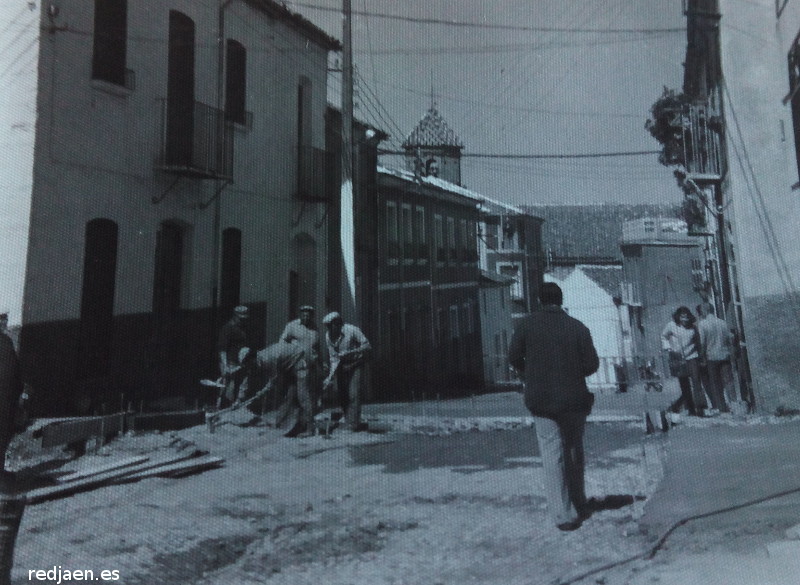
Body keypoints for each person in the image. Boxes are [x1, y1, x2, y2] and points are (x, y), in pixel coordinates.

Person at [508, 283, 599, 531]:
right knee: (573, 451)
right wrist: (571, 373)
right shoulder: (577, 327)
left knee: (551, 454)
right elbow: (592, 364)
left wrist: (531, 374)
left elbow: (513, 357)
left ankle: (562, 513)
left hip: (541, 399)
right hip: (573, 398)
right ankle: (579, 502)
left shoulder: (526, 325)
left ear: (539, 300)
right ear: (561, 300)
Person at [239, 341, 315, 437]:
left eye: (248, 364)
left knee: (302, 396)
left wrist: (261, 392)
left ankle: (310, 429)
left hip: (301, 359)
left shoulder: (267, 359)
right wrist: (240, 397)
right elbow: (247, 378)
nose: (248, 367)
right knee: (289, 396)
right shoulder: (257, 361)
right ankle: (287, 424)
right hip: (289, 366)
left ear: (251, 358)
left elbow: (274, 381)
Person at [321, 312, 371, 432]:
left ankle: (353, 424)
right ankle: (349, 419)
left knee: (354, 394)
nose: (330, 330)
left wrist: (351, 352)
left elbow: (367, 346)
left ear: (338, 324)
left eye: (331, 326)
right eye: (328, 327)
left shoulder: (352, 330)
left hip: (356, 364)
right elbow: (333, 358)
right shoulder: (328, 336)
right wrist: (330, 377)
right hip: (342, 366)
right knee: (342, 395)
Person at [662, 306, 707, 417]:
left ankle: (700, 409)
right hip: (678, 358)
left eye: (687, 317)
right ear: (678, 317)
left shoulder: (693, 328)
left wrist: (700, 355)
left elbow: (698, 341)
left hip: (692, 356)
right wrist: (668, 348)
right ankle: (690, 409)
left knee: (696, 383)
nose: (685, 319)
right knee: (684, 384)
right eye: (682, 317)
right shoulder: (671, 325)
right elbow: (663, 336)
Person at [696, 302, 735, 413]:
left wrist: (702, 356)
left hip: (711, 357)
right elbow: (730, 338)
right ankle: (734, 404)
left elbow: (702, 343)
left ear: (704, 311)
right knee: (728, 381)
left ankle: (721, 407)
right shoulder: (722, 322)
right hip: (724, 355)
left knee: (715, 382)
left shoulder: (703, 324)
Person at [0, 309, 23, 471]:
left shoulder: (7, 342)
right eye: (2, 319)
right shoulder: (6, 342)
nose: (4, 323)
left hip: (6, 399)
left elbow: (14, 372)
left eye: (5, 319)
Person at [216, 305, 249, 406]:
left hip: (241, 363)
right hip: (229, 362)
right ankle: (222, 409)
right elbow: (222, 349)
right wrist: (225, 366)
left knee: (243, 386)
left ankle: (237, 408)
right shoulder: (228, 328)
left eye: (244, 318)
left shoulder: (243, 328)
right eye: (240, 318)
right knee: (229, 386)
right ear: (235, 316)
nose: (243, 320)